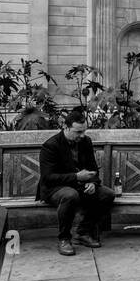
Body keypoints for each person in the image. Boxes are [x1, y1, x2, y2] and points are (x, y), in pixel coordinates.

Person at [37, 107, 115, 255]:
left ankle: (83, 232)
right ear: (65, 127)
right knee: (70, 195)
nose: (82, 135)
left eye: (84, 131)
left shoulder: (85, 142)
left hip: (79, 186)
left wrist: (93, 182)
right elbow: (47, 177)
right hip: (54, 188)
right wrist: (77, 177)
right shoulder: (51, 146)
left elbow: (93, 169)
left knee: (108, 194)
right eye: (78, 132)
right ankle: (64, 239)